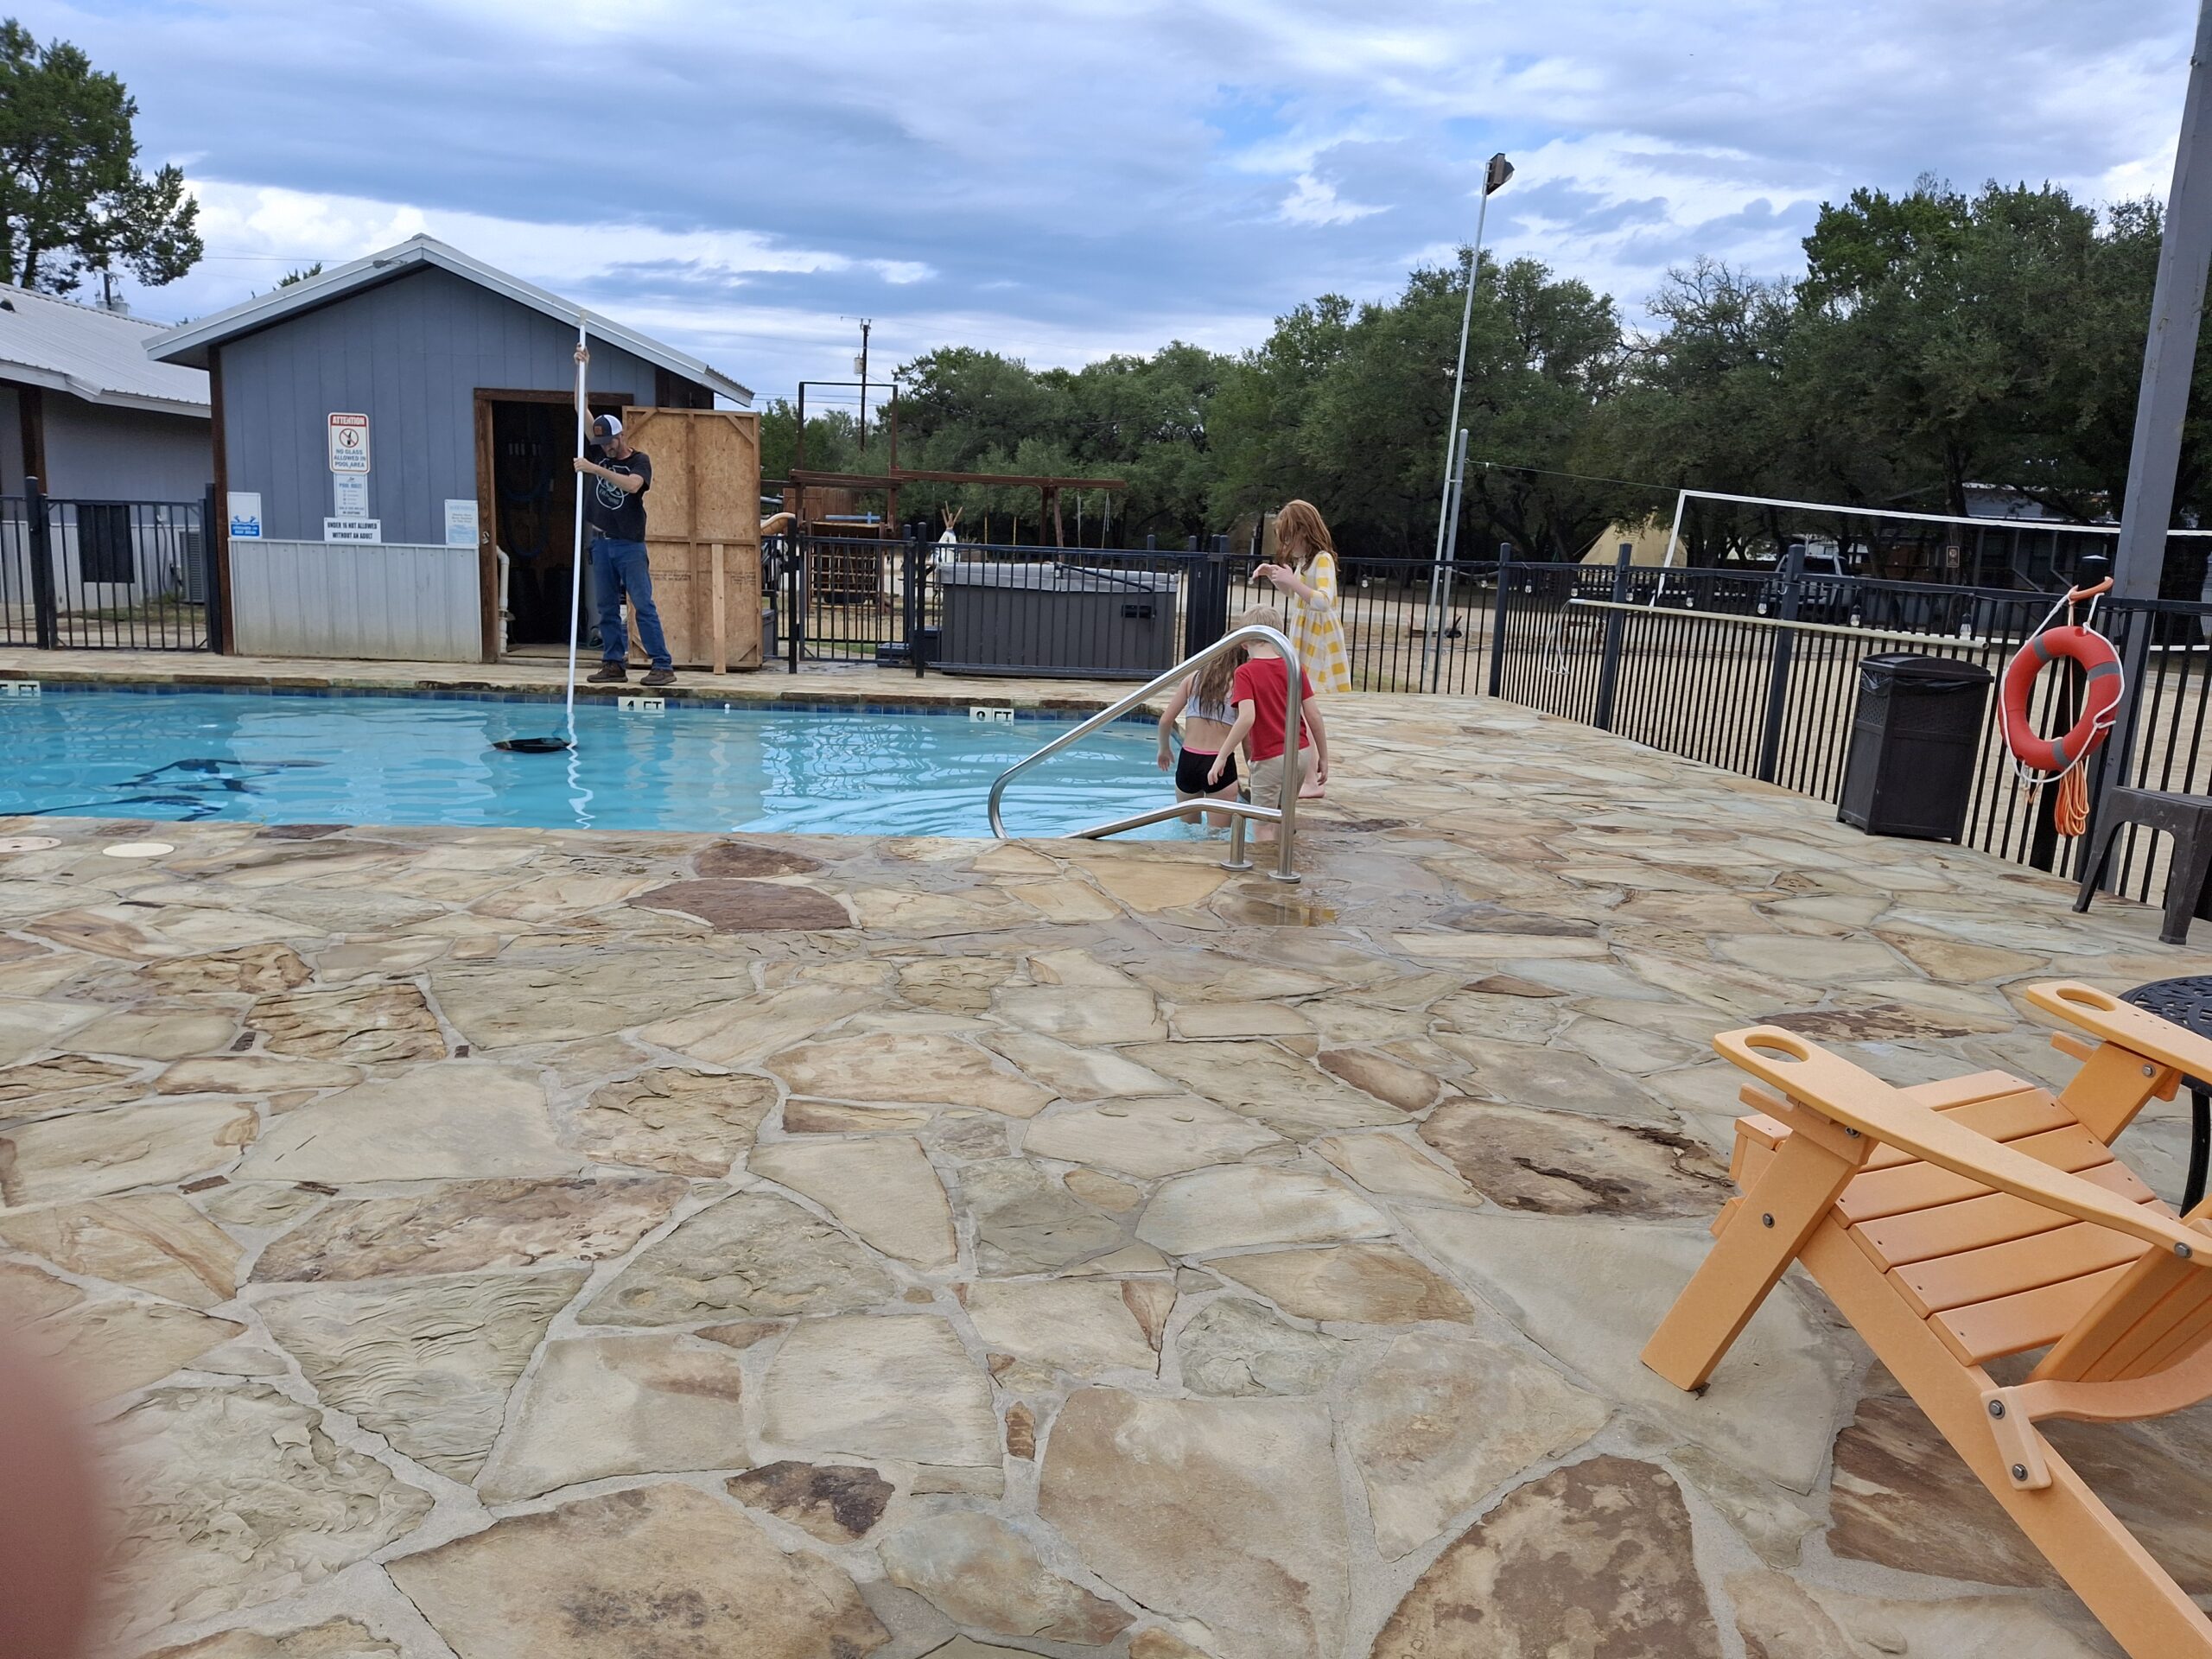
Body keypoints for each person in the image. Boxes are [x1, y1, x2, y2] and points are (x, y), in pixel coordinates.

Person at [573, 345, 673, 687]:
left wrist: (594, 470)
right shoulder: (598, 447)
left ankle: (662, 664)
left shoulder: (638, 460)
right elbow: (579, 408)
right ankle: (613, 663)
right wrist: (582, 368)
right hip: (601, 542)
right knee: (605, 608)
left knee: (642, 605)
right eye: (600, 444)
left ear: (621, 435)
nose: (605, 449)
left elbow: (633, 486)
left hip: (629, 545)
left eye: (610, 443)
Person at [1211, 604, 1328, 838]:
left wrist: (1221, 756)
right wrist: (1323, 757)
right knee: (1283, 814)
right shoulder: (1294, 667)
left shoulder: (1245, 672)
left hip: (1269, 757)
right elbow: (1313, 715)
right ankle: (1282, 861)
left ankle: (1266, 870)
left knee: (1262, 822)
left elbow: (1246, 718)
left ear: (1244, 641)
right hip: (1300, 753)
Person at [1253, 499, 1352, 702]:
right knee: (1302, 688)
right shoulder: (1304, 561)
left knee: (1318, 687)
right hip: (1306, 630)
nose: (1286, 545)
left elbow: (1324, 601)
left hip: (1319, 634)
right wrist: (1276, 577)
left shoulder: (1322, 559)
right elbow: (1297, 596)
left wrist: (1291, 580)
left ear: (1304, 532)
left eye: (1289, 538)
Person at [1156, 644, 1245, 827]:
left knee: (1188, 831)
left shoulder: (1193, 679)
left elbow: (1165, 721)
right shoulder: (1239, 686)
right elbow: (1247, 736)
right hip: (1219, 763)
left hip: (1188, 760)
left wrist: (1164, 749)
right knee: (1218, 837)